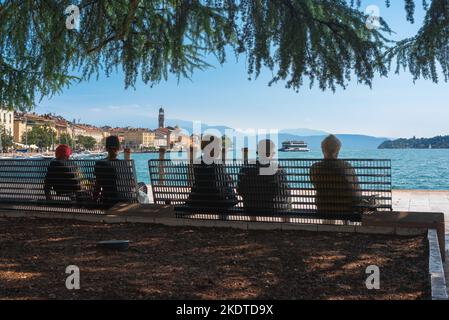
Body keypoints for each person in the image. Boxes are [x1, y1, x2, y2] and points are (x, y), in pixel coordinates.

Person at [310, 134, 363, 215]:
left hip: (323, 207)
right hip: (346, 208)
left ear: (322, 149)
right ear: (338, 150)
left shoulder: (314, 167)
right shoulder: (346, 166)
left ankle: (327, 225)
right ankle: (346, 226)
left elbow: (316, 186)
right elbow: (357, 190)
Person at [237, 139, 291, 213]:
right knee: (288, 197)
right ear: (273, 154)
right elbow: (284, 191)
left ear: (257, 152)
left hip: (251, 207)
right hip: (274, 207)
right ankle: (285, 223)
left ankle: (253, 221)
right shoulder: (278, 169)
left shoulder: (245, 168)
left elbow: (240, 189)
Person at [185, 135, 237, 211]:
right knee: (230, 191)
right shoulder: (217, 164)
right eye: (217, 146)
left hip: (198, 200)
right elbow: (221, 187)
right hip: (217, 202)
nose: (219, 149)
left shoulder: (197, 162)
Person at [94, 136, 149, 207]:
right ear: (118, 148)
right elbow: (131, 185)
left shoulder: (99, 163)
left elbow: (97, 186)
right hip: (125, 200)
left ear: (106, 148)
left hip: (107, 201)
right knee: (142, 185)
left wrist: (94, 200)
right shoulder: (124, 164)